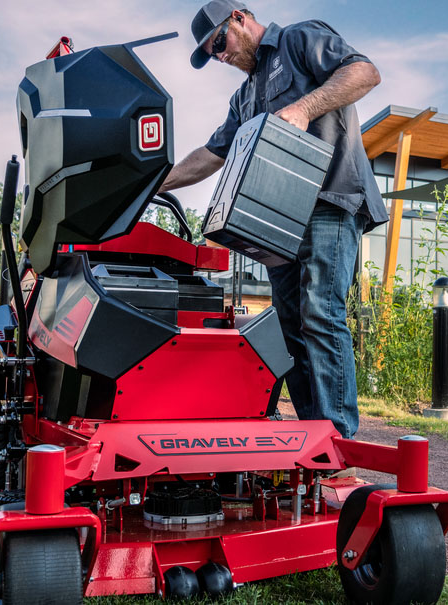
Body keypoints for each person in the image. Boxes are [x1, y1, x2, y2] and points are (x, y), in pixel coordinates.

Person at [159, 0, 388, 439]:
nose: (220, 56)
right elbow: (211, 155)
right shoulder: (244, 96)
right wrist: (157, 183)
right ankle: (313, 435)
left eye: (220, 43)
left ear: (240, 19)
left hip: (330, 201)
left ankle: (338, 440)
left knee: (321, 310)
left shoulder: (299, 40)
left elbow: (364, 72)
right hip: (278, 221)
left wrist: (305, 107)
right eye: (212, 54)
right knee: (289, 325)